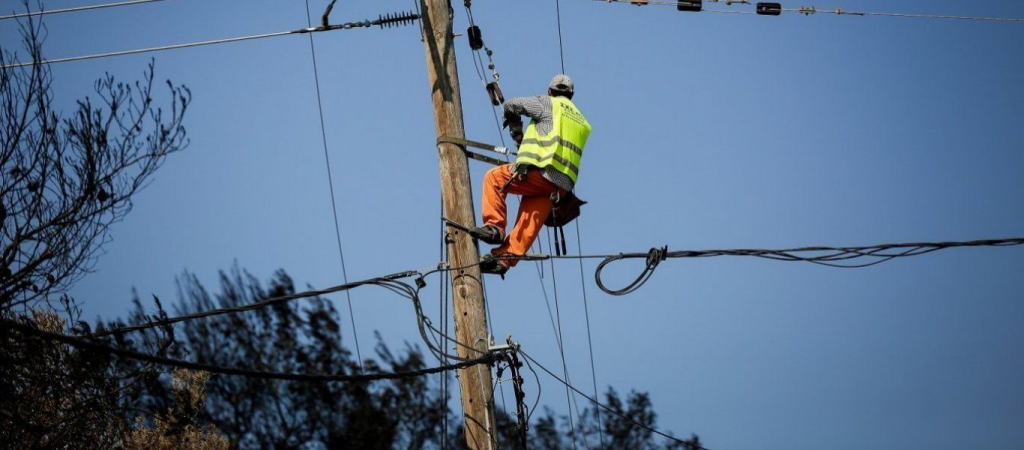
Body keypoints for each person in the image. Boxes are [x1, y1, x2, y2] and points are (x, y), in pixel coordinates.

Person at [472, 74, 592, 275]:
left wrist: (513, 121)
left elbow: (512, 104)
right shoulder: (582, 121)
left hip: (542, 173)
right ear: (571, 95)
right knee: (530, 219)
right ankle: (503, 260)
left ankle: (494, 228)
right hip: (561, 187)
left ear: (550, 91)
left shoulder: (548, 103)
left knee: (493, 178)